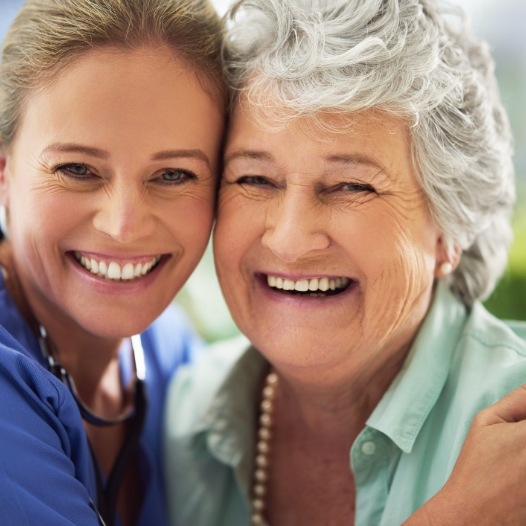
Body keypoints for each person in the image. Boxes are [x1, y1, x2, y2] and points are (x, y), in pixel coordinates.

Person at [164, 0, 526, 524]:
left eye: (351, 185)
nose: (290, 241)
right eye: (255, 179)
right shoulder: (178, 421)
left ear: (449, 230)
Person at [0, 0, 225, 524]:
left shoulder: (165, 349)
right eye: (77, 169)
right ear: (4, 174)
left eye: (174, 175)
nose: (124, 226)